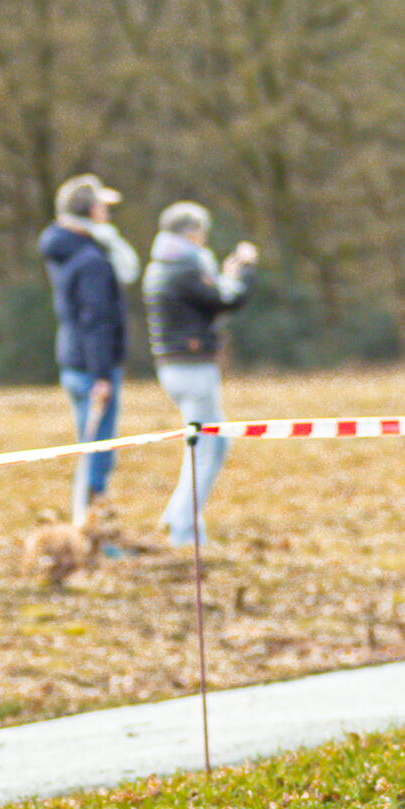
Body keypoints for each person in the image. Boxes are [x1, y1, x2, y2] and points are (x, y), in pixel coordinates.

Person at [146, 202, 259, 550]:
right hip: (193, 368)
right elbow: (227, 299)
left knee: (213, 442)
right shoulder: (185, 268)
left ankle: (176, 517)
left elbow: (209, 297)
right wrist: (245, 271)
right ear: (191, 232)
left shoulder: (163, 265)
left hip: (175, 366)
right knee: (207, 447)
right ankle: (184, 529)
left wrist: (225, 275)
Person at [40, 175, 128, 532]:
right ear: (92, 210)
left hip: (73, 361)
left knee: (90, 448)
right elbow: (96, 321)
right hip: (93, 368)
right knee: (98, 455)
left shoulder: (63, 251)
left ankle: (90, 527)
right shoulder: (91, 260)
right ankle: (93, 533)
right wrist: (102, 375)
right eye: (104, 206)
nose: (108, 212)